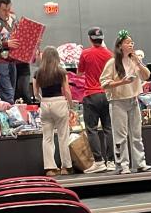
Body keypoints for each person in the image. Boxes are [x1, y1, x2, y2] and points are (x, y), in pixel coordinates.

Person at [100, 30, 151, 175]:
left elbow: (146, 75)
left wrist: (138, 62)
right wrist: (121, 82)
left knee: (136, 134)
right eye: (127, 42)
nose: (131, 45)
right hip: (117, 102)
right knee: (121, 136)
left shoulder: (134, 61)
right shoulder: (112, 63)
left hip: (133, 100)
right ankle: (123, 165)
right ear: (120, 46)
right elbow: (104, 83)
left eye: (131, 42)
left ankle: (140, 163)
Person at [33, 45, 74, 177]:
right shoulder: (61, 72)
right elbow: (66, 90)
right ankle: (65, 167)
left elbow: (35, 93)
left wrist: (42, 100)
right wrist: (71, 105)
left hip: (45, 103)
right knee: (63, 136)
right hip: (59, 102)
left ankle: (50, 168)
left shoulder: (38, 73)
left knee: (47, 138)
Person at [78, 26, 112, 171]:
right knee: (108, 128)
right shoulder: (110, 54)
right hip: (107, 94)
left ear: (90, 39)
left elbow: (79, 73)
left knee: (91, 129)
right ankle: (111, 161)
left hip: (91, 95)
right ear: (102, 38)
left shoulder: (85, 53)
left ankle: (99, 162)